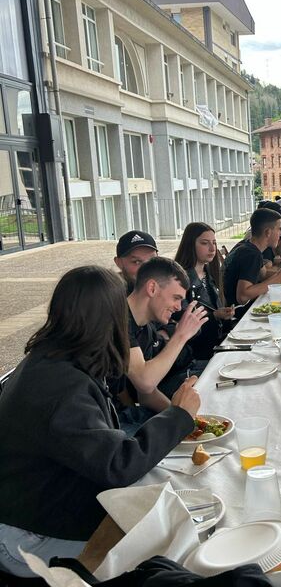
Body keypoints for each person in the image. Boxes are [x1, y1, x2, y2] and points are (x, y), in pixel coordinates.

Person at [0, 266, 200, 577]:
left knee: (168, 507)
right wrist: (178, 416)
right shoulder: (61, 387)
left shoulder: (56, 357)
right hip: (28, 539)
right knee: (171, 549)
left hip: (44, 508)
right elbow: (118, 465)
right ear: (108, 319)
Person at [119, 258, 207, 432]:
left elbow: (146, 395)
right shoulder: (119, 320)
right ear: (152, 288)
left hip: (126, 414)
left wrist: (189, 419)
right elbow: (145, 382)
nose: (179, 307)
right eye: (176, 298)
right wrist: (181, 336)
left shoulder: (145, 328)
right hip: (102, 423)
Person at [174, 222, 236, 362]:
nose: (212, 248)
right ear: (190, 245)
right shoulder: (179, 279)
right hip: (198, 355)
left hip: (219, 344)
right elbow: (183, 320)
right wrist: (214, 315)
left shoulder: (210, 272)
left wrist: (225, 314)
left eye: (214, 243)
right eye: (204, 243)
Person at [223, 208, 281, 315]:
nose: (280, 234)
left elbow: (262, 274)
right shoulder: (251, 254)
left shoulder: (248, 245)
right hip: (241, 315)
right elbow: (243, 296)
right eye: (279, 229)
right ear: (268, 232)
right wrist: (278, 279)